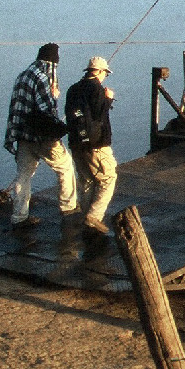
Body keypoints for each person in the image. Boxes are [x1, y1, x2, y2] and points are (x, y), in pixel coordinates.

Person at [3, 43, 77, 229]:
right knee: (66, 168)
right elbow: (45, 111)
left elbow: (16, 108)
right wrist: (60, 126)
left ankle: (19, 217)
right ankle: (68, 209)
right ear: (51, 62)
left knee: (23, 176)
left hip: (23, 138)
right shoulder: (42, 77)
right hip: (43, 139)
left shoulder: (22, 76)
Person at [64, 56, 117, 236]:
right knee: (108, 179)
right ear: (100, 72)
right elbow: (98, 114)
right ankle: (93, 218)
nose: (104, 78)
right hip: (96, 144)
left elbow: (75, 113)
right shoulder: (97, 88)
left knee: (86, 180)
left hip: (76, 142)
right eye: (105, 74)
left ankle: (88, 218)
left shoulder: (73, 89)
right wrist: (108, 99)